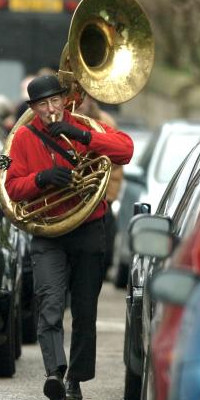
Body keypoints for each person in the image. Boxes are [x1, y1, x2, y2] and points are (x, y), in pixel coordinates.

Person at [4, 74, 133, 400]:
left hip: (89, 227)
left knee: (85, 310)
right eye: (42, 104)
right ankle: (54, 374)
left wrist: (82, 135)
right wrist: (41, 178)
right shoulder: (23, 137)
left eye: (55, 102)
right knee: (49, 303)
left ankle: (75, 378)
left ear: (65, 100)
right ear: (32, 107)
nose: (50, 110)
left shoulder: (85, 126)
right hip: (49, 233)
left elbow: (126, 151)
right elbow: (12, 188)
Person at [76, 96, 124, 280]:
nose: (80, 103)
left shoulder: (105, 121)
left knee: (103, 243)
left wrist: (108, 197)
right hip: (71, 197)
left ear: (90, 101)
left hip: (99, 196)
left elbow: (116, 163)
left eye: (84, 99)